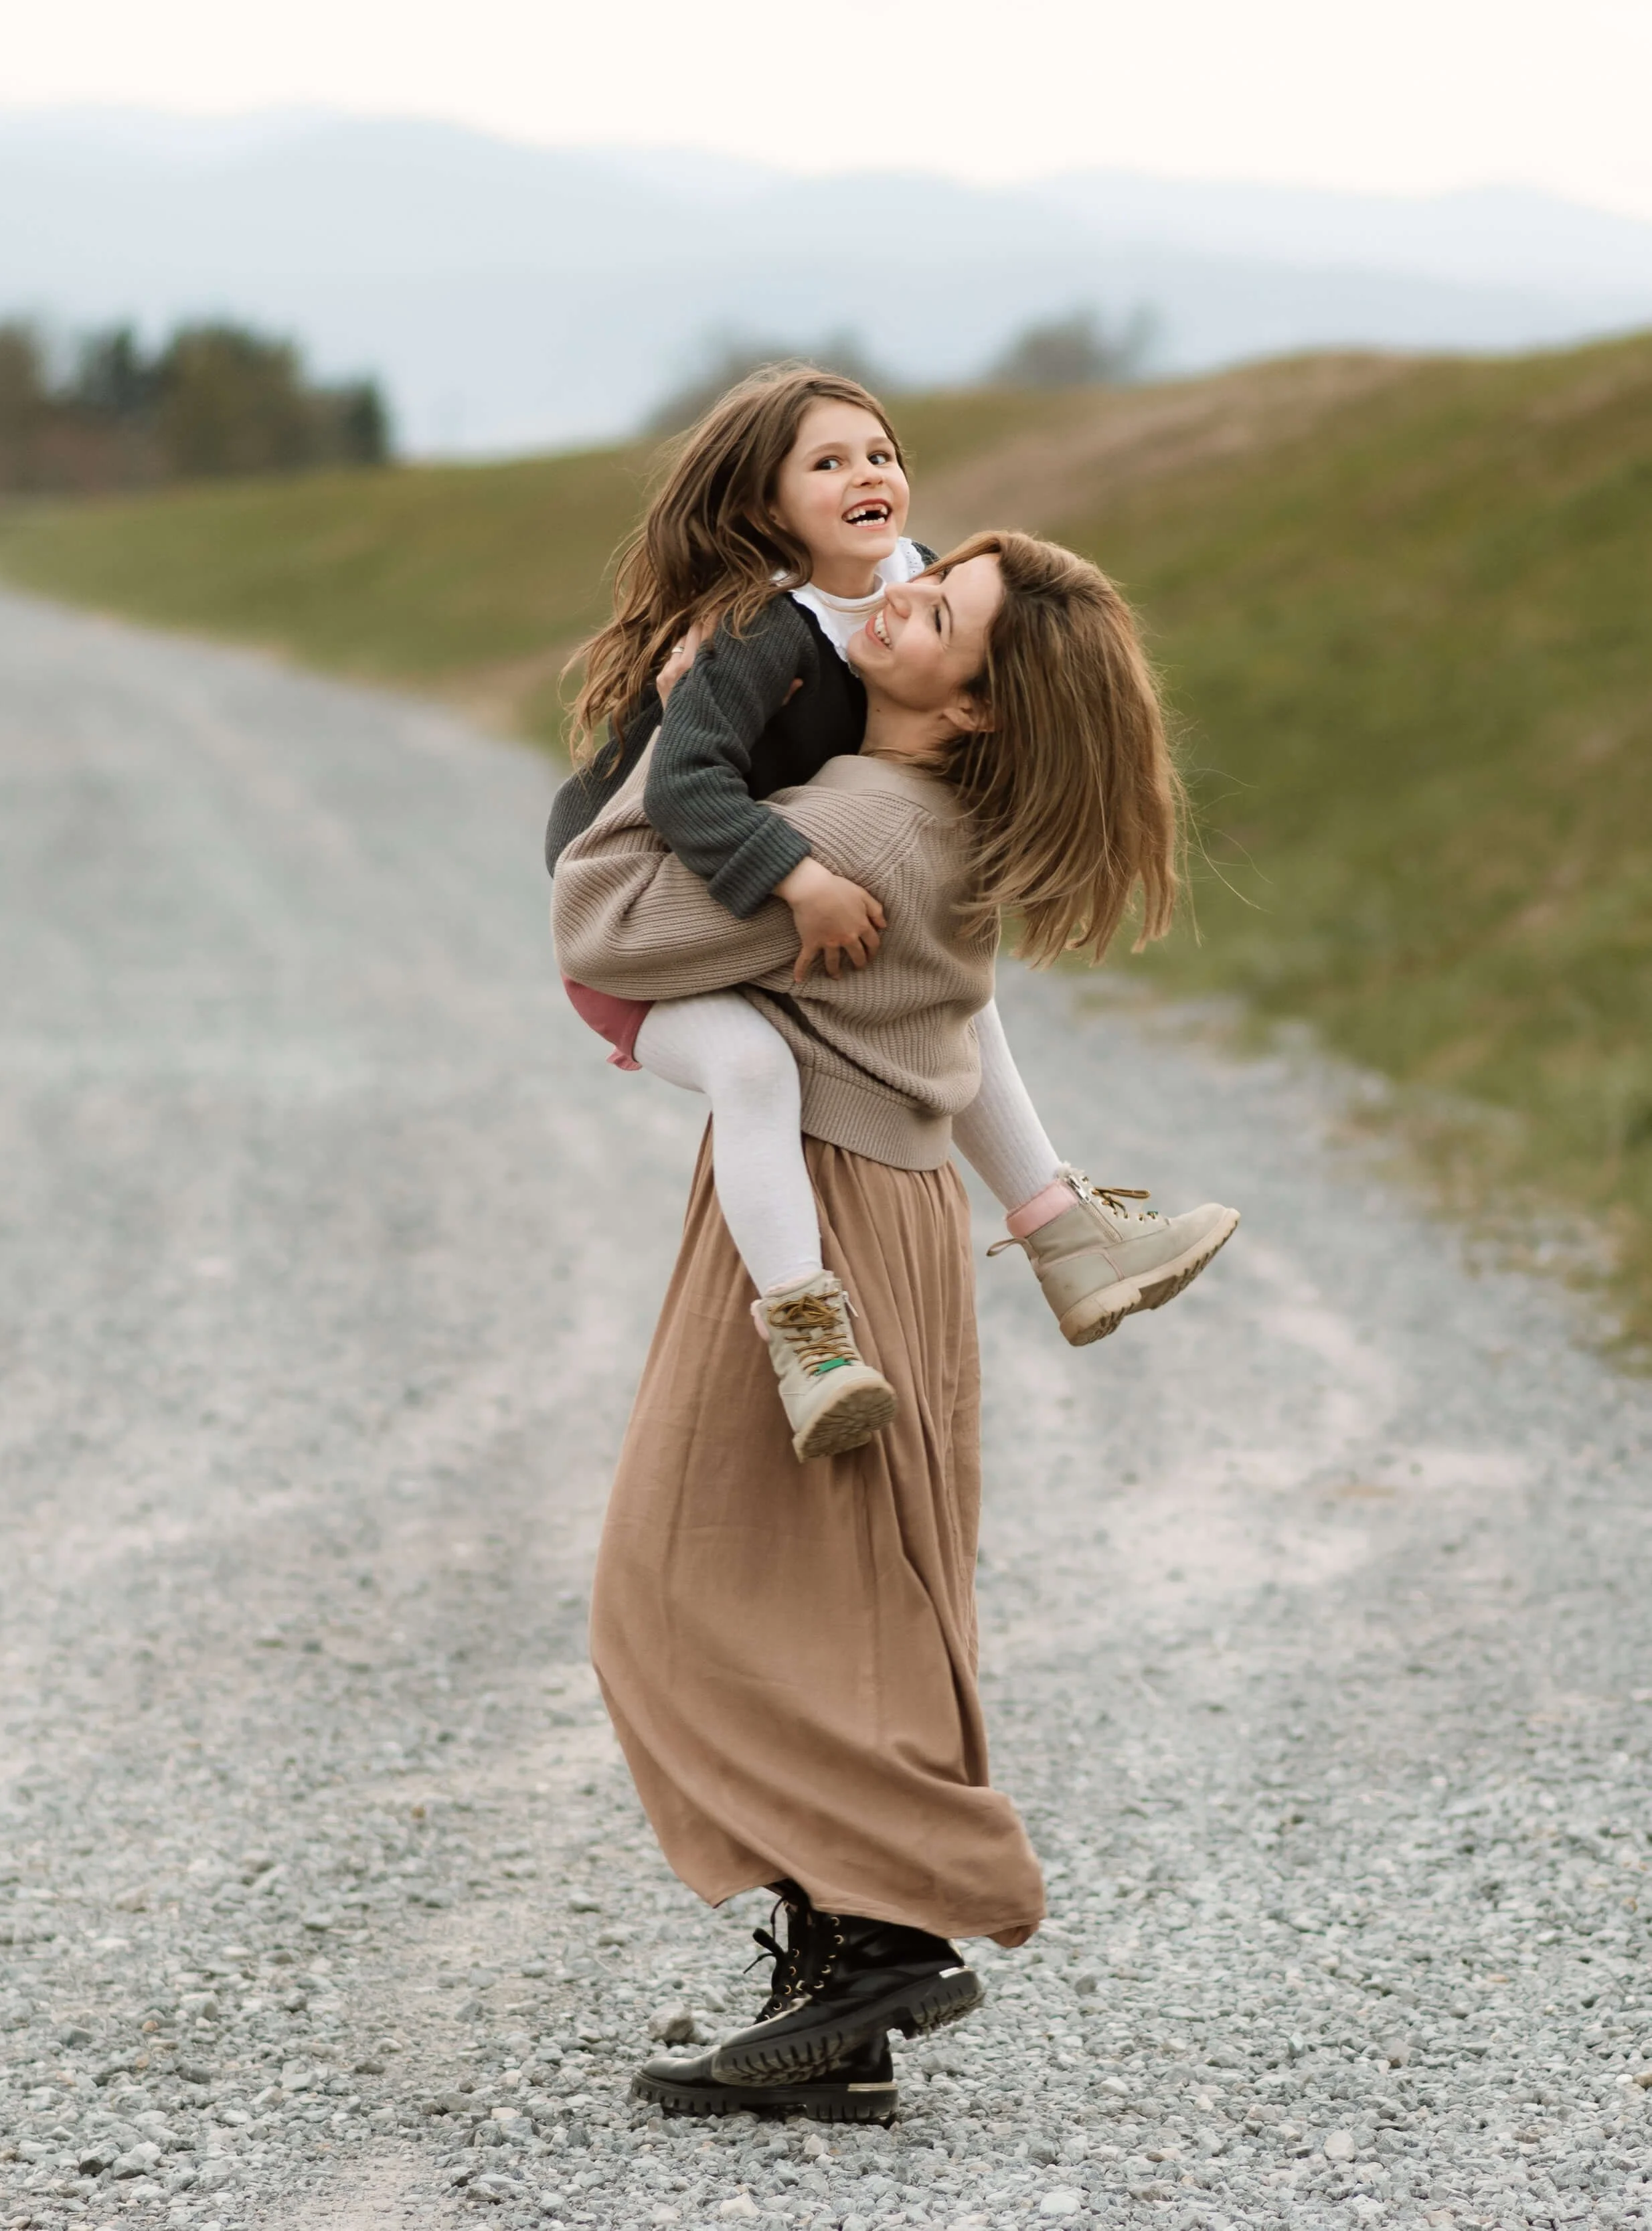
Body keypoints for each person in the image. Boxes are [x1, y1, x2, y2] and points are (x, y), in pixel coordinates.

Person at [552, 530, 1234, 2123]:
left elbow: (601, 923)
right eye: (928, 574)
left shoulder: (856, 827)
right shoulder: (929, 813)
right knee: (848, 1589)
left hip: (827, 1211)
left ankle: (892, 1929)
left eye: (939, 609)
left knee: (677, 1590)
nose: (897, 593)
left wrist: (678, 726)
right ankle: (842, 1984)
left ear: (973, 703)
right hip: (892, 1205)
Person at [547, 367, 1237, 1463]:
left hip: (756, 858)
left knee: (959, 992)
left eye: (881, 455)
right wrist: (798, 878)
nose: (867, 476)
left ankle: (1062, 1227)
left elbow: (998, 650)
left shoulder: (916, 574)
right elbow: (684, 788)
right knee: (752, 1068)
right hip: (635, 908)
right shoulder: (758, 633)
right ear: (769, 509)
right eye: (827, 464)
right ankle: (806, 1333)